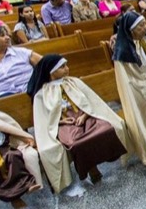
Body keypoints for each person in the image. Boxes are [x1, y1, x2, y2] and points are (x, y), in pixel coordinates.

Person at [28, 55, 130, 192]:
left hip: (86, 116)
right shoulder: (42, 93)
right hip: (64, 124)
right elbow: (43, 119)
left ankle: (102, 160)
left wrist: (85, 115)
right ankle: (91, 169)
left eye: (66, 65)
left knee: (106, 129)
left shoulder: (73, 82)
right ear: (51, 72)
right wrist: (61, 121)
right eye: (62, 67)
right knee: (76, 143)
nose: (67, 69)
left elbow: (92, 101)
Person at [112, 11, 146, 166]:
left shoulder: (145, 41)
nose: (145, 28)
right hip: (139, 89)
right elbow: (130, 79)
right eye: (141, 26)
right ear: (131, 30)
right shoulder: (123, 52)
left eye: (145, 24)